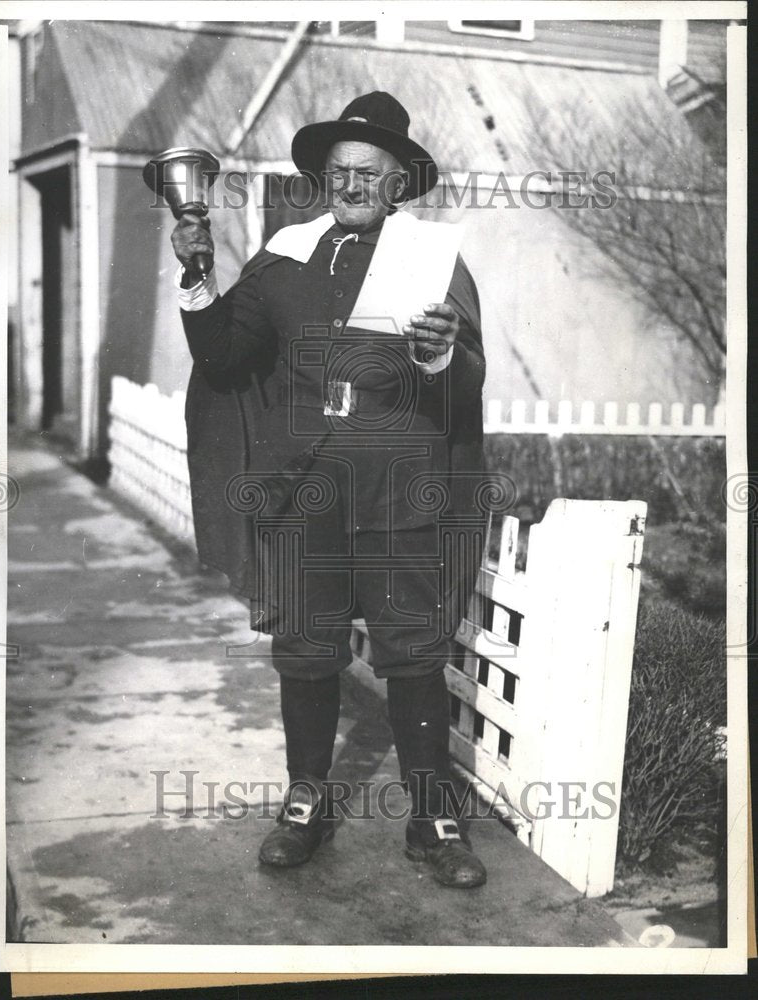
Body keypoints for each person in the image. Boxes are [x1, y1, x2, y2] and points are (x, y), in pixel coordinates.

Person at [171, 92, 488, 888]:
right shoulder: (284, 254)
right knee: (307, 657)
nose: (350, 184)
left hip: (399, 491)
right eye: (338, 171)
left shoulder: (434, 260)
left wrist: (443, 354)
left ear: (396, 183)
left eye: (368, 173)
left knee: (413, 657)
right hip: (303, 491)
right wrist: (197, 270)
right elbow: (223, 358)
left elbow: (468, 386)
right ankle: (306, 804)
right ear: (324, 179)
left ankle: (432, 819)